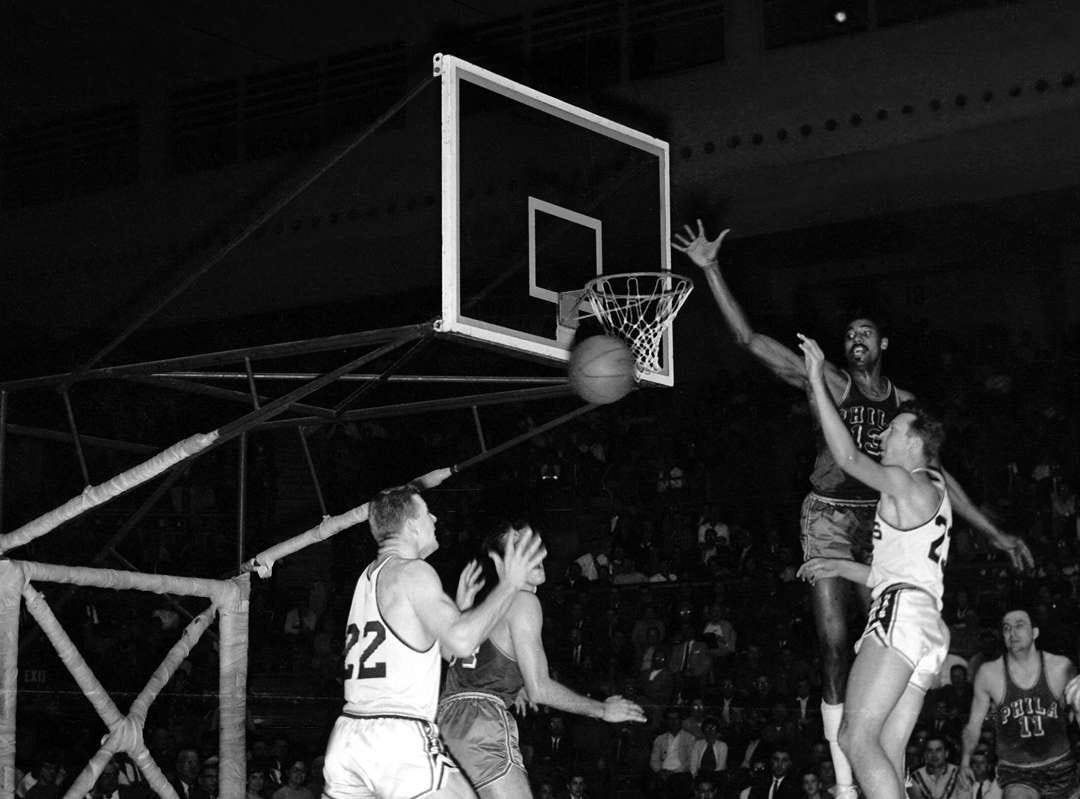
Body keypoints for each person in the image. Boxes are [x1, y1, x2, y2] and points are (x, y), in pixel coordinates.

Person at [672, 221, 1033, 799]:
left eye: (866, 331)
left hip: (883, 523)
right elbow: (750, 343)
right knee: (837, 646)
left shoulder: (907, 414)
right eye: (850, 334)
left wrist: (993, 531)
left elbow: (947, 481)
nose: (855, 337)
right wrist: (712, 269)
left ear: (883, 344)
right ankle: (846, 786)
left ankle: (864, 760)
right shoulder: (835, 383)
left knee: (880, 642)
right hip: (832, 516)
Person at [795, 333, 954, 799]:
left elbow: (846, 457)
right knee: (887, 747)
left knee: (854, 737)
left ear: (915, 444)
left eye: (894, 430)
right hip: (922, 619)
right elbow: (891, 574)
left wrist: (816, 382)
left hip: (901, 617)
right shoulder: (929, 491)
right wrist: (837, 566)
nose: (884, 433)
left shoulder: (907, 483)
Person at [320, 481, 546, 799]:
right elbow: (464, 642)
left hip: (348, 738)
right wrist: (509, 583)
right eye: (427, 514)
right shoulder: (414, 571)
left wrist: (463, 609)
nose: (435, 519)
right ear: (412, 525)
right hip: (395, 734)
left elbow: (447, 650)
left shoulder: (369, 577)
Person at [436, 521, 645, 799]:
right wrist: (603, 710)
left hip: (444, 725)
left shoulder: (483, 609)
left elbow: (450, 656)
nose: (539, 553)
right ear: (502, 563)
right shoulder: (524, 602)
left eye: (536, 545)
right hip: (481, 725)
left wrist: (515, 683)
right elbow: (541, 689)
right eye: (522, 547)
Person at [959, 608, 1078, 798]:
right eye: (1006, 628)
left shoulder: (1060, 667)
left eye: (1019, 626)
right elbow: (973, 726)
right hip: (1016, 772)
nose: (1012, 633)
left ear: (1035, 632)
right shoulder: (989, 673)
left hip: (1060, 766)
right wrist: (965, 761)